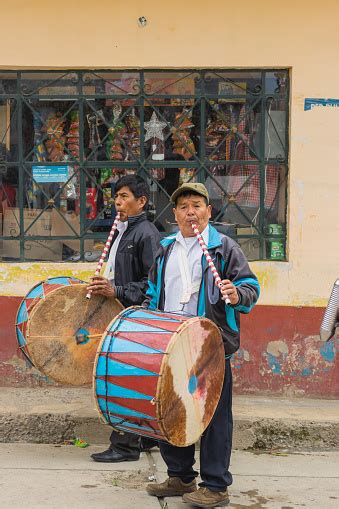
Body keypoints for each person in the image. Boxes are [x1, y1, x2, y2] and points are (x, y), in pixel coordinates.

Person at [144, 183, 260, 507]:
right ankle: (180, 475)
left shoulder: (224, 248)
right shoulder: (166, 249)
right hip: (171, 344)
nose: (190, 212)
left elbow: (251, 287)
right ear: (175, 214)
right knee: (170, 410)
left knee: (213, 419)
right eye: (183, 206)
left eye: (197, 205)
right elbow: (153, 292)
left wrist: (237, 294)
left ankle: (216, 486)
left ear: (209, 211)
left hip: (210, 346)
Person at [88, 174, 160, 463]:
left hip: (135, 317)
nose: (118, 202)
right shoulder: (121, 230)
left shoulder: (146, 233)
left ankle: (125, 446)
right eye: (116, 196)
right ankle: (141, 438)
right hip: (120, 313)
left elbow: (153, 283)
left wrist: (116, 289)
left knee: (123, 378)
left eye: (125, 196)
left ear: (141, 201)